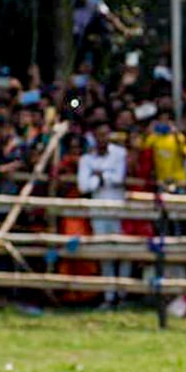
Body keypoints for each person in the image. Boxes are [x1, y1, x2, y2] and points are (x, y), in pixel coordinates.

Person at [78, 122, 131, 308]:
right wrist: (102, 177)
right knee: (104, 253)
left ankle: (123, 294)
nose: (103, 139)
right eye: (99, 135)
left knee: (123, 251)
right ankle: (109, 296)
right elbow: (83, 185)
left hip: (118, 207)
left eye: (106, 135)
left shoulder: (119, 154)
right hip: (98, 209)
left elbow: (119, 178)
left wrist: (100, 176)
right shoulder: (86, 159)